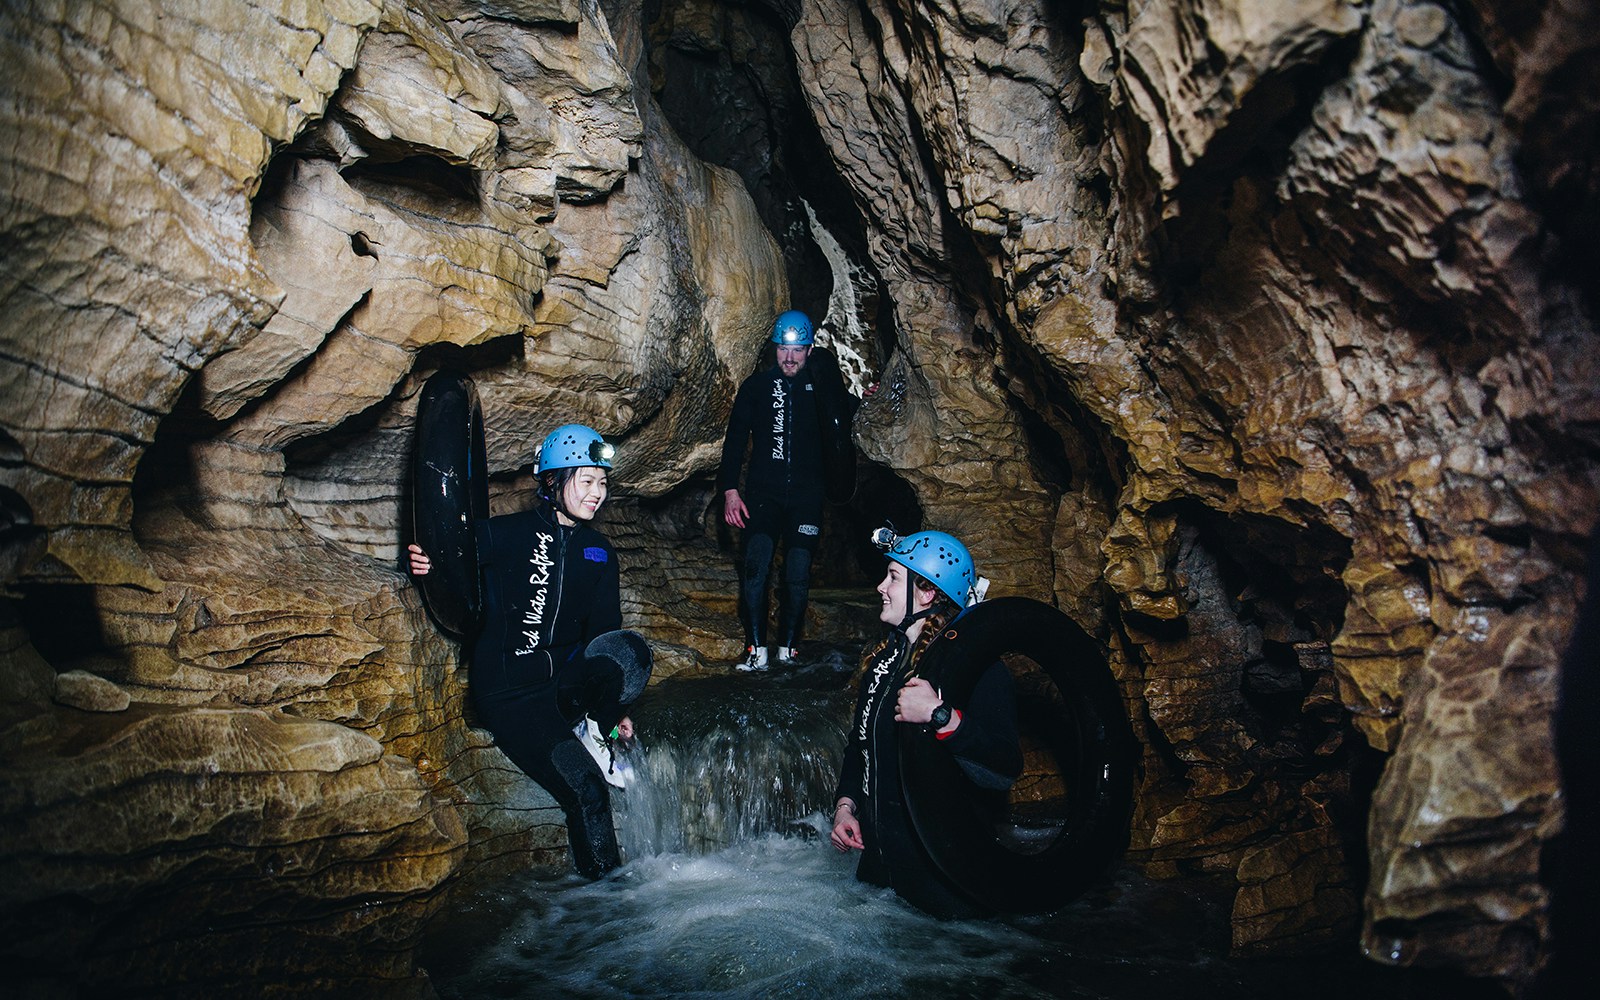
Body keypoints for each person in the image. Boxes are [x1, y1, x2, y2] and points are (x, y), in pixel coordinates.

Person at [408, 423, 652, 880]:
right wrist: (422, 561)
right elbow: (445, 556)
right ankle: (611, 912)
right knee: (588, 791)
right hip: (512, 695)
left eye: (602, 482)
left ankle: (597, 734)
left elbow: (604, 633)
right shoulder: (508, 534)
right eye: (586, 481)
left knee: (632, 652)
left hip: (562, 685)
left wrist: (613, 707)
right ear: (554, 481)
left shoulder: (600, 551)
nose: (597, 492)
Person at [829, 529, 1022, 917]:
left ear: (927, 593)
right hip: (879, 880)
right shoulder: (883, 662)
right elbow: (859, 744)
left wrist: (941, 717)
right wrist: (845, 806)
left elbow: (1003, 768)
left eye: (893, 578)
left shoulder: (978, 671)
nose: (881, 587)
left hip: (942, 891)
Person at [718, 309, 825, 670]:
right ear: (774, 349)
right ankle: (756, 650)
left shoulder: (821, 388)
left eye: (797, 350)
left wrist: (870, 398)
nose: (790, 358)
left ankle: (789, 649)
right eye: (783, 349)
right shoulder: (757, 387)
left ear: (810, 350)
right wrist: (730, 491)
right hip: (764, 495)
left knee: (797, 572)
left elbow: (847, 423)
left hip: (807, 498)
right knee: (755, 568)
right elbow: (733, 443)